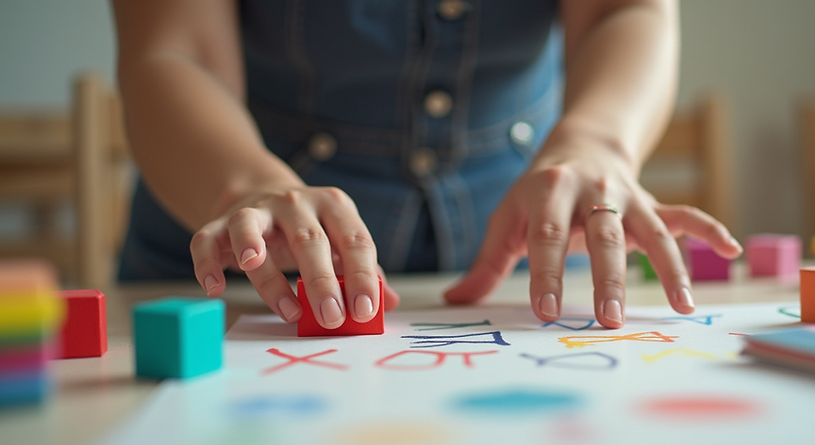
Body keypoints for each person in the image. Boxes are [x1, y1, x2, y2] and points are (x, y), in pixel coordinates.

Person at [111, 0, 742, 331]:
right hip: (232, 270)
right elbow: (174, 50)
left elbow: (622, 9)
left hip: (530, 270)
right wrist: (248, 185)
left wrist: (598, 142)